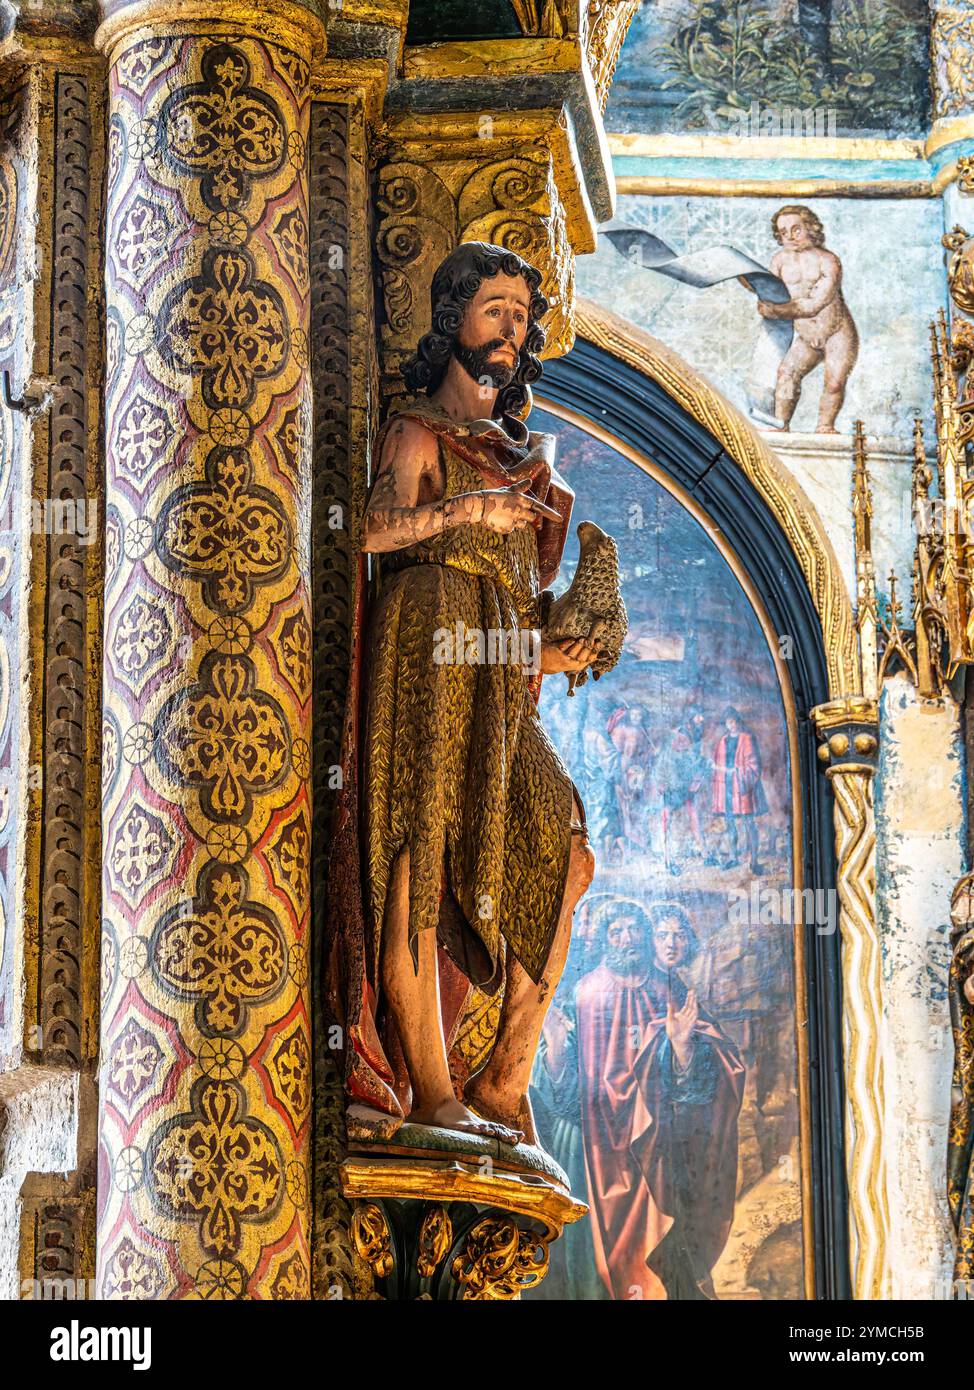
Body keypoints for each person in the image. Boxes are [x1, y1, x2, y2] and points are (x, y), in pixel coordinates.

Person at [336, 241, 601, 1147]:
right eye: (494, 309)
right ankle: (430, 1084)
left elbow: (516, 611)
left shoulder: (526, 466)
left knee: (565, 847)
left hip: (496, 670)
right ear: (455, 319)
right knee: (422, 844)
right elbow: (371, 529)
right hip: (424, 645)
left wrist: (563, 647)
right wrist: (464, 511)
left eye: (522, 316)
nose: (510, 329)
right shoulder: (419, 432)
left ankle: (502, 1078)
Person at [571, 899, 745, 1299]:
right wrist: (560, 1054)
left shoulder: (669, 986)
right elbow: (562, 1083)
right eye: (616, 931)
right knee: (601, 1250)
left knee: (671, 1233)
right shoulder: (585, 992)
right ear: (603, 939)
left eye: (634, 929)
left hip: (660, 1141)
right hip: (599, 1143)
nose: (627, 938)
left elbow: (715, 1060)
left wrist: (681, 1049)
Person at [742, 204, 858, 433]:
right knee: (787, 374)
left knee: (834, 382)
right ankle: (781, 425)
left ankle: (825, 426)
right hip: (805, 335)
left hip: (837, 331)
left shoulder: (828, 260)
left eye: (796, 229)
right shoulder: (779, 261)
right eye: (783, 232)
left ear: (811, 228)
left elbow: (816, 303)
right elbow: (768, 290)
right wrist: (742, 276)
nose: (790, 236)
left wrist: (777, 311)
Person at [710, 706, 767, 874]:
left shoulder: (747, 739)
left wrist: (737, 772)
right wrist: (718, 769)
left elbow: (754, 765)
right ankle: (734, 857)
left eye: (733, 721)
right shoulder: (722, 741)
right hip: (725, 785)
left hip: (742, 785)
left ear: (738, 722)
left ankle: (754, 860)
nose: (731, 725)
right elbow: (717, 763)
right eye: (728, 722)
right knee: (729, 822)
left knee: (749, 822)